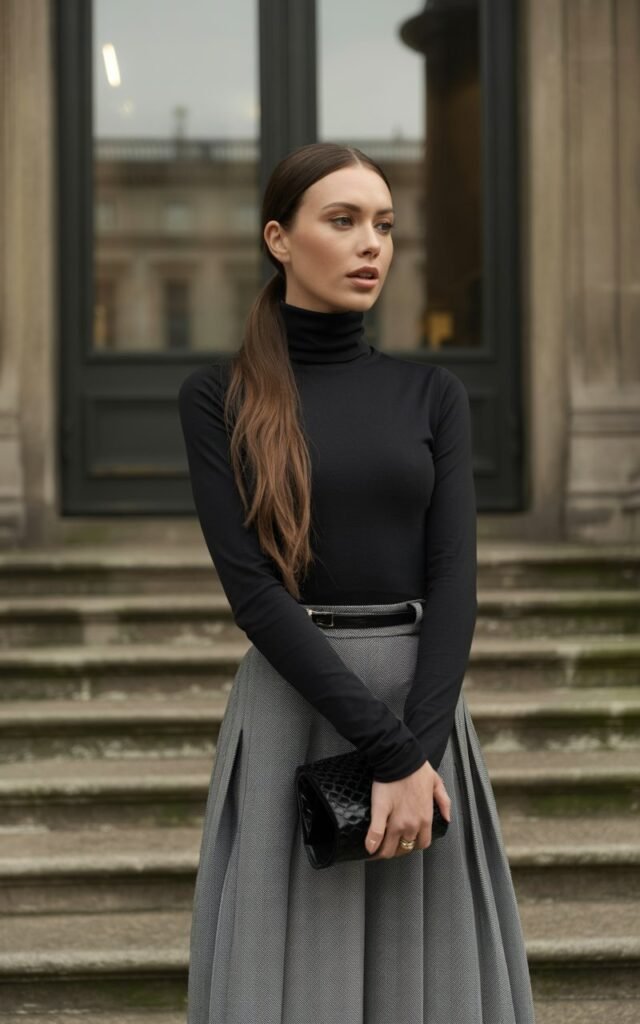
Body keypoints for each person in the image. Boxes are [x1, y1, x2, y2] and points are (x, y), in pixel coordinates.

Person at [178, 141, 535, 1024]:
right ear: (279, 239)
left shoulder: (433, 394)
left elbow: (454, 580)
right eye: (342, 221)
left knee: (432, 980)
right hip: (297, 701)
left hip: (423, 710)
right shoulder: (219, 397)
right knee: (288, 977)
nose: (371, 243)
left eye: (383, 224)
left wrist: (419, 748)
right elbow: (254, 594)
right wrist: (393, 754)